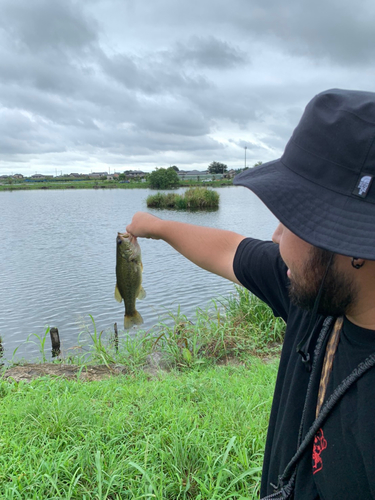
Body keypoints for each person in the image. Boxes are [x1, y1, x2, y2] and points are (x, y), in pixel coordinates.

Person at [127, 89, 375, 499]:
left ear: (351, 242)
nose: (276, 237)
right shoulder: (318, 293)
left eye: (294, 218)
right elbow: (229, 250)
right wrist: (156, 226)